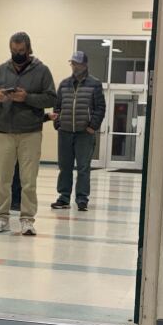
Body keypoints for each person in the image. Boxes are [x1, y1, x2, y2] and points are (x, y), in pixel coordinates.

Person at [0, 32, 57, 235]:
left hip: (30, 133)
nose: (17, 54)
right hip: (4, 132)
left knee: (28, 180)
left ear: (28, 49)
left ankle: (27, 219)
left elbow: (52, 98)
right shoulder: (2, 69)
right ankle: (1, 218)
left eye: (21, 51)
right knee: (3, 179)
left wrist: (27, 98)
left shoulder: (42, 71)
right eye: (14, 51)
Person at [51, 51, 106, 211]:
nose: (74, 66)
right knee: (65, 167)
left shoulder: (94, 84)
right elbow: (57, 105)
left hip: (84, 133)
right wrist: (58, 124)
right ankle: (64, 198)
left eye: (77, 63)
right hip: (65, 132)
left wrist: (92, 126)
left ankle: (82, 199)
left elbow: (100, 108)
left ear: (85, 65)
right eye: (73, 63)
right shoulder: (64, 84)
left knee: (83, 167)